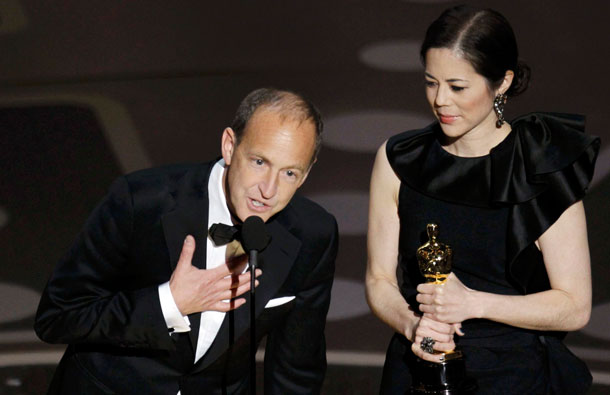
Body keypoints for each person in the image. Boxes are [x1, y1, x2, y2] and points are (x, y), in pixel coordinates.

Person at [35, 88, 338, 394]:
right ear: (230, 146)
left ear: (306, 174)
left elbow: (296, 370)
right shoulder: (141, 201)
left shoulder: (312, 234)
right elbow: (58, 315)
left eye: (289, 172)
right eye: (259, 162)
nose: (269, 190)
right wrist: (169, 302)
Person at [365, 5, 600, 394]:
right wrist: (414, 326)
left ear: (502, 82)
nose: (440, 100)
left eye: (458, 87)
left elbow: (575, 306)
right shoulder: (398, 160)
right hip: (419, 367)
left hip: (512, 375)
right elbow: (378, 279)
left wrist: (473, 303)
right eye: (430, 82)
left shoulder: (540, 168)